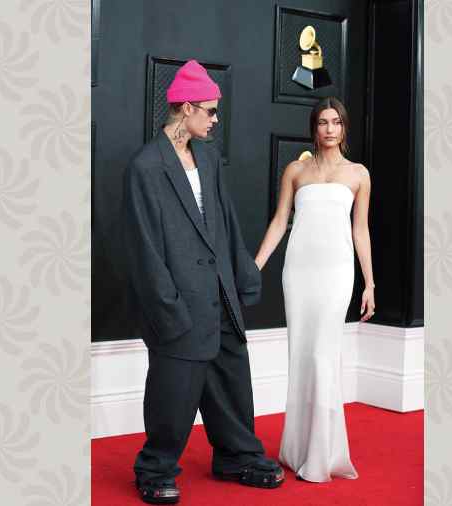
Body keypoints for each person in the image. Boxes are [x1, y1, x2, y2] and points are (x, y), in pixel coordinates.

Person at [122, 60, 285, 505]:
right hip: (177, 300)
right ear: (187, 107)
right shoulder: (146, 166)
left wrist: (242, 276)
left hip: (219, 294)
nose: (215, 119)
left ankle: (236, 456)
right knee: (173, 393)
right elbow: (143, 246)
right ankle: (155, 468)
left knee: (232, 380)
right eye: (210, 111)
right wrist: (165, 304)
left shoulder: (208, 158)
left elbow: (226, 223)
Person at [253, 96, 375, 483]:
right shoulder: (295, 170)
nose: (329, 129)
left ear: (344, 128)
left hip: (337, 272)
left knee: (324, 355)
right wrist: (254, 267)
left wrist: (369, 283)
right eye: (322, 122)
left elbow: (361, 230)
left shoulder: (358, 174)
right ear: (314, 127)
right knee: (302, 356)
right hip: (299, 272)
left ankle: (323, 455)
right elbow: (278, 222)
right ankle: (298, 448)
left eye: (335, 122)